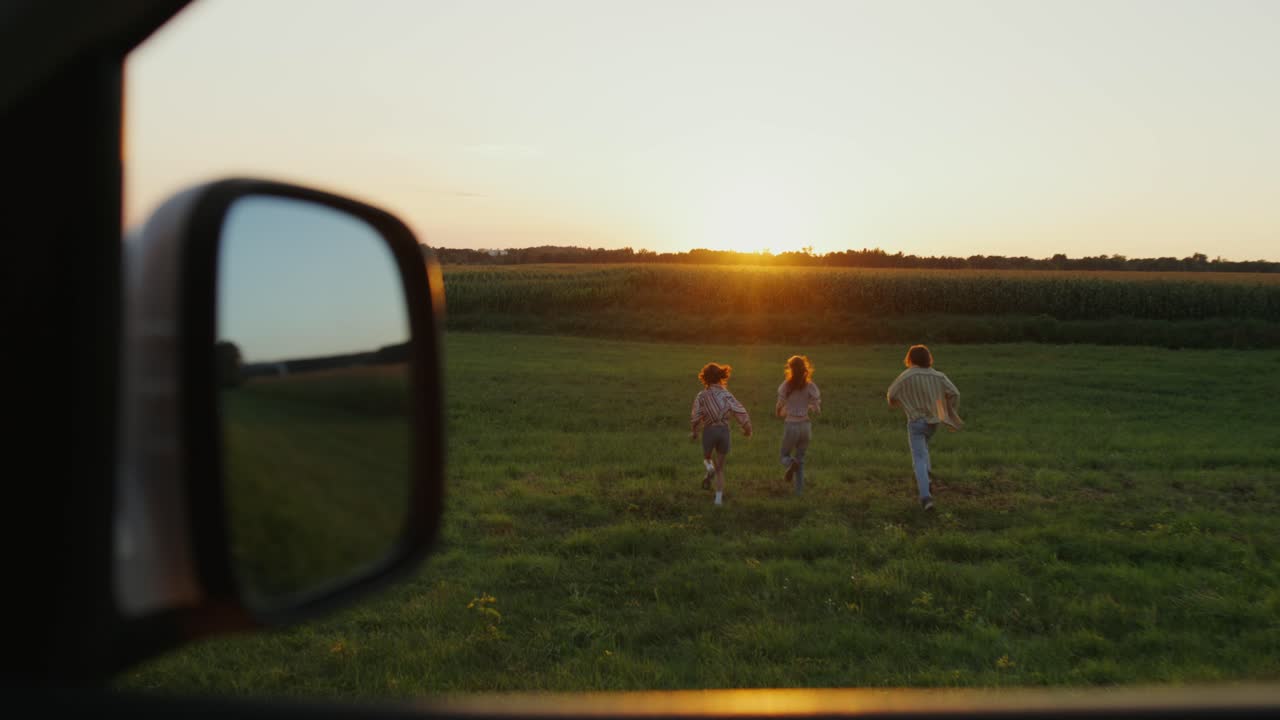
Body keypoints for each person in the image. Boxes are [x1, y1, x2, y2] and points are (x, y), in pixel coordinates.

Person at [886, 344, 962, 511]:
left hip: (915, 421)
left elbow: (891, 394)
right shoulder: (938, 376)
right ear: (928, 358)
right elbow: (955, 393)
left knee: (918, 458)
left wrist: (898, 403)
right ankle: (927, 479)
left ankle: (925, 497)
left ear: (910, 359)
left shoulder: (906, 376)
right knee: (924, 449)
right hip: (934, 423)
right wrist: (947, 411)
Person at [690, 362, 752, 506]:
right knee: (720, 469)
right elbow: (739, 411)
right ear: (720, 377)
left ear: (704, 378)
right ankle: (718, 500)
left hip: (709, 430)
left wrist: (694, 431)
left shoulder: (702, 395)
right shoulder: (726, 394)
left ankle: (708, 467)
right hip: (724, 431)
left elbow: (696, 416)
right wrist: (747, 429)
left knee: (707, 457)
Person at [775, 355, 821, 495]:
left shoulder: (786, 385)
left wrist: (778, 412)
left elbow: (780, 404)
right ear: (805, 369)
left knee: (784, 455)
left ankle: (790, 463)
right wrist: (814, 408)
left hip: (791, 425)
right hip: (806, 426)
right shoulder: (810, 386)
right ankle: (799, 492)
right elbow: (817, 407)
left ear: (790, 369)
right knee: (800, 459)